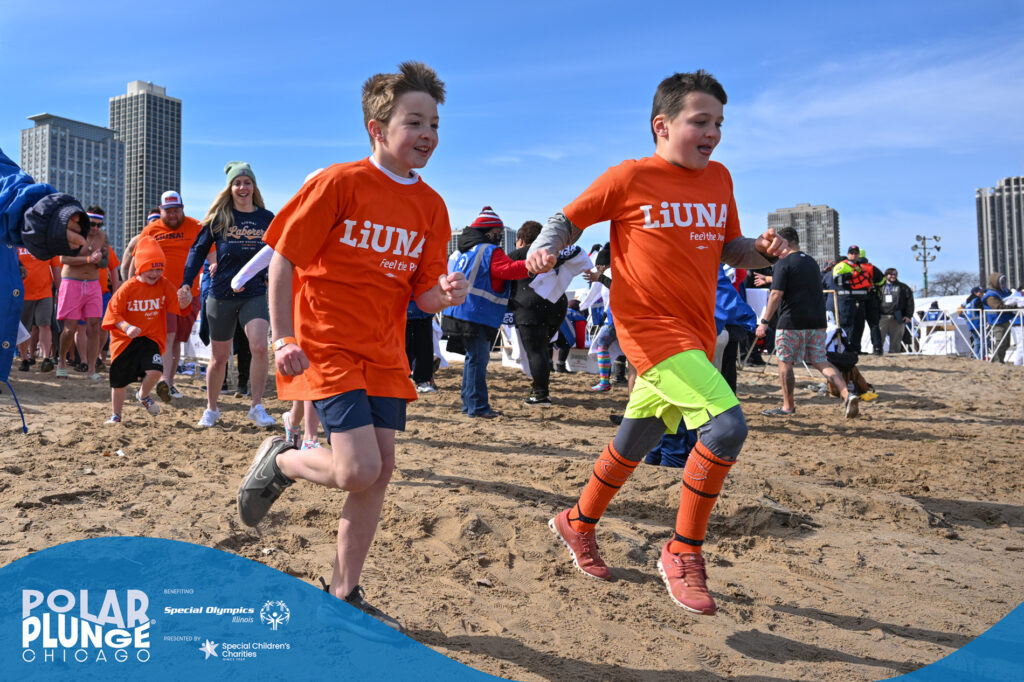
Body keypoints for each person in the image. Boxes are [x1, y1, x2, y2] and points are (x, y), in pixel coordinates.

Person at [527, 69, 789, 615]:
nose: (713, 133)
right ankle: (683, 550)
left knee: (635, 440)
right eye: (701, 121)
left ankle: (576, 521)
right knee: (726, 426)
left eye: (719, 123)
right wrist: (545, 247)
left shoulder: (720, 179)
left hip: (696, 329)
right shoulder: (630, 177)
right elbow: (567, 218)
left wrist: (761, 251)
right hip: (647, 325)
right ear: (662, 125)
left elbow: (729, 248)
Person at [235, 62, 469, 630]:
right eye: (415, 122)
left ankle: (344, 592)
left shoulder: (433, 207)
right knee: (358, 468)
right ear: (377, 129)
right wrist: (284, 336)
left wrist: (444, 293)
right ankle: (284, 460)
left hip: (384, 352)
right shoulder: (339, 183)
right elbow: (283, 261)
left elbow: (423, 295)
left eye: (435, 124)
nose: (428, 135)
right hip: (326, 341)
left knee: (379, 471)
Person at [179, 162, 276, 428]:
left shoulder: (266, 218)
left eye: (247, 183)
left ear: (254, 187)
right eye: (237, 183)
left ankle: (257, 406)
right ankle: (211, 409)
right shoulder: (220, 218)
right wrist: (186, 283)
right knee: (219, 357)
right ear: (230, 188)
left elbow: (278, 251)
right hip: (221, 293)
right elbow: (197, 251)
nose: (243, 187)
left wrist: (272, 277)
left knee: (259, 347)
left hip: (254, 292)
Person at [1, 147, 89, 417]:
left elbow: (8, 186)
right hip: (23, 293)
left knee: (42, 326)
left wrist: (44, 218)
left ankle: (42, 357)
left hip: (36, 293)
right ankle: (28, 358)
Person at [755, 228, 860, 418]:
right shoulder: (811, 262)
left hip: (791, 321)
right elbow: (795, 279)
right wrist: (768, 279)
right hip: (817, 321)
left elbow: (776, 293)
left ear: (784, 242)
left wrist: (764, 322)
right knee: (820, 360)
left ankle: (788, 407)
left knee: (785, 361)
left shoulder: (782, 263)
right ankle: (847, 395)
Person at [442, 206, 528, 418]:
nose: (498, 237)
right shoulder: (489, 251)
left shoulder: (463, 251)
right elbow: (507, 270)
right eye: (497, 233)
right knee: (477, 361)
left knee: (472, 359)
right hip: (477, 313)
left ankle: (469, 404)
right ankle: (477, 407)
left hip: (458, 311)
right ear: (489, 232)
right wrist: (532, 265)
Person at [123, 191, 204, 401]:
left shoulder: (196, 227)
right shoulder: (151, 230)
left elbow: (209, 251)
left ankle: (169, 381)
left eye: (176, 210)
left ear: (182, 208)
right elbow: (135, 261)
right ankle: (164, 382)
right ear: (161, 210)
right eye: (168, 211)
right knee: (167, 336)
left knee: (177, 340)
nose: (173, 215)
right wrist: (131, 287)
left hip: (189, 294)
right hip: (160, 293)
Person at [101, 236, 185, 424]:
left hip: (150, 337)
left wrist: (185, 300)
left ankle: (143, 395)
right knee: (119, 381)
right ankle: (116, 415)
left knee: (155, 371)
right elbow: (113, 313)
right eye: (151, 268)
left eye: (159, 268)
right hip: (125, 340)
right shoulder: (128, 288)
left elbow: (178, 305)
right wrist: (127, 327)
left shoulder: (163, 284)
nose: (155, 273)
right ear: (140, 267)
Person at [508, 220, 569, 406]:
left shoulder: (515, 255)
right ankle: (540, 388)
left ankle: (540, 393)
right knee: (543, 348)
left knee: (535, 351)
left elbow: (505, 283)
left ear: (520, 240)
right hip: (557, 304)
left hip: (529, 305)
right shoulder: (553, 253)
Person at [55, 207, 110, 380]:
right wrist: (88, 259)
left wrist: (99, 259)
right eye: (92, 224)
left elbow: (105, 263)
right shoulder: (72, 234)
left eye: (99, 225)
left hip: (93, 284)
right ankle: (61, 361)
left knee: (94, 326)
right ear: (86, 221)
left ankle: (91, 369)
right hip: (72, 282)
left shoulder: (103, 237)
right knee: (70, 327)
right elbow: (64, 259)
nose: (95, 228)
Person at [16, 248, 60, 373]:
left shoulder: (47, 244)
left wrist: (60, 290)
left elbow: (56, 268)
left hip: (45, 293)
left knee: (45, 324)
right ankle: (24, 359)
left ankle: (46, 358)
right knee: (24, 328)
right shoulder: (17, 243)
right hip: (22, 293)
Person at [832, 245, 871, 352]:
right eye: (852, 253)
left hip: (860, 300)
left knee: (859, 325)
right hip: (847, 299)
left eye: (856, 253)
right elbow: (837, 281)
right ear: (848, 254)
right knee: (846, 324)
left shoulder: (862, 267)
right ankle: (845, 348)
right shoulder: (842, 265)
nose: (854, 255)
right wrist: (851, 275)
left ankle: (856, 348)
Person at [878, 267, 915, 354]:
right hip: (882, 315)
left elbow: (910, 302)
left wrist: (908, 315)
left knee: (896, 339)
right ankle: (878, 352)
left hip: (898, 315)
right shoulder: (880, 287)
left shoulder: (903, 287)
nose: (893, 276)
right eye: (891, 274)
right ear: (886, 275)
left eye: (895, 274)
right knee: (879, 336)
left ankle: (894, 355)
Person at [405, 298, 437, 393]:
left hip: (425, 311)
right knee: (404, 349)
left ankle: (423, 380)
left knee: (425, 348)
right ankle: (401, 379)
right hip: (404, 311)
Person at [983, 273, 1014, 364]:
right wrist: (1014, 307)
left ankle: (1000, 360)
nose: (1004, 283)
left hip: (1005, 319)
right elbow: (997, 307)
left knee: (1006, 343)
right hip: (997, 321)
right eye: (1001, 281)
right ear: (995, 282)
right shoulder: (991, 295)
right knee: (1000, 342)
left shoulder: (1004, 292)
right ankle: (997, 361)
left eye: (1004, 281)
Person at [962, 286, 984, 359]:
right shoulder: (977, 300)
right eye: (980, 292)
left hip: (970, 324)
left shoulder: (968, 302)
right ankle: (979, 357)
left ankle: (975, 357)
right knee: (984, 342)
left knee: (977, 341)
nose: (982, 294)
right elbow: (982, 310)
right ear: (975, 293)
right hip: (978, 323)